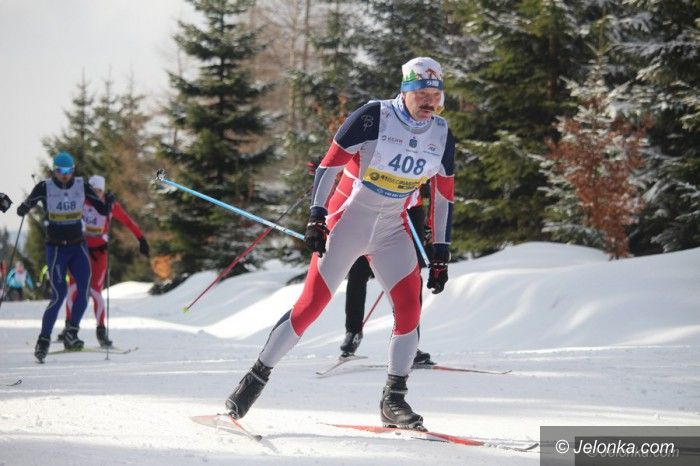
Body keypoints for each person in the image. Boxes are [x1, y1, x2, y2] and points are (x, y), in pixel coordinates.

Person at [225, 57, 454, 430]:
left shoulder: (441, 135)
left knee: (410, 309)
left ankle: (394, 400)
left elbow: (443, 196)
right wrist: (317, 216)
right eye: (422, 94)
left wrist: (441, 252)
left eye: (436, 95)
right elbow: (329, 166)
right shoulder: (374, 116)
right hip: (347, 223)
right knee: (311, 306)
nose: (429, 102)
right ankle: (253, 380)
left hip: (391, 229)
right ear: (405, 91)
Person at [326, 156, 434, 365]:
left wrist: (430, 222)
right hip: (372, 204)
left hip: (411, 208)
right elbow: (346, 157)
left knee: (411, 277)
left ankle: (409, 340)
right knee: (358, 272)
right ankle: (352, 333)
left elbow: (436, 178)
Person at [16, 151, 110, 362]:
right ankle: (43, 340)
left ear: (73, 170)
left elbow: (102, 209)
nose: (65, 174)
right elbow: (28, 204)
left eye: (68, 170)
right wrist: (23, 209)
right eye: (60, 170)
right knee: (59, 295)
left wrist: (108, 202)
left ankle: (71, 331)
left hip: (78, 247)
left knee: (85, 290)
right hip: (57, 249)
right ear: (54, 170)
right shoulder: (44, 187)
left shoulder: (81, 186)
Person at [59, 175, 149, 347]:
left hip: (99, 254)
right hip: (79, 251)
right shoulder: (80, 201)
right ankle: (69, 328)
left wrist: (141, 239)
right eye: (93, 190)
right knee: (74, 288)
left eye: (99, 190)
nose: (96, 194)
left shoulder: (110, 205)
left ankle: (101, 331)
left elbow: (127, 221)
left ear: (103, 191)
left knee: (95, 291)